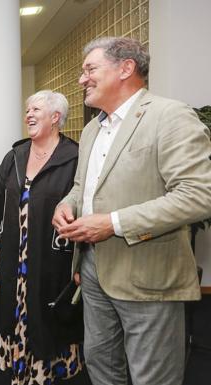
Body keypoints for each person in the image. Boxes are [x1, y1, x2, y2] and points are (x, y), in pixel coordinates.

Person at [52, 37, 211, 385]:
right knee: (100, 362)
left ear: (126, 68)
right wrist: (67, 204)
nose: (82, 79)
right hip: (93, 269)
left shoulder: (170, 116)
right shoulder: (94, 127)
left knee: (151, 375)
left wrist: (112, 223)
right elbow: (83, 187)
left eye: (90, 69)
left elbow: (198, 195)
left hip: (148, 275)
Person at [0, 90, 85, 384]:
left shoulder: (74, 157)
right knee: (16, 309)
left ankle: (46, 370)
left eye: (35, 109)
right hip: (16, 253)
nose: (28, 114)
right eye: (27, 109)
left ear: (55, 117)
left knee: (48, 311)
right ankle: (20, 367)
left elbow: (85, 208)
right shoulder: (15, 156)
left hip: (52, 255)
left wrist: (82, 262)